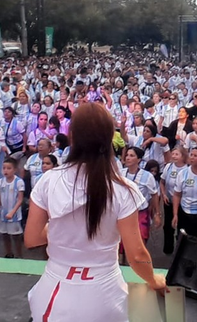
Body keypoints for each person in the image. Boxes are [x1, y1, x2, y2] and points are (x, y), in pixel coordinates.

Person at [25, 102, 166, 321]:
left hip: (54, 291)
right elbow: (137, 254)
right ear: (110, 137)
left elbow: (32, 238)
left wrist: (59, 227)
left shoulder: (49, 180)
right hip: (105, 295)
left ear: (71, 135)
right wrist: (153, 280)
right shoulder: (123, 189)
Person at [0, 157, 25, 259]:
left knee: (16, 236)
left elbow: (20, 200)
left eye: (9, 168)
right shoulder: (0, 182)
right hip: (3, 214)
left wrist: (12, 212)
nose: (6, 170)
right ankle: (8, 253)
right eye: (4, 168)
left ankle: (19, 255)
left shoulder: (19, 182)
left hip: (14, 215)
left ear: (15, 169)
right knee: (5, 234)